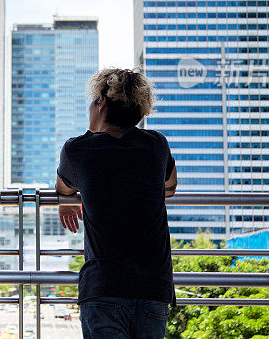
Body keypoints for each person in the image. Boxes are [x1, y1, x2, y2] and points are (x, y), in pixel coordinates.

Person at [56, 68, 177, 339]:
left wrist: (67, 201)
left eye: (94, 100)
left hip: (104, 287)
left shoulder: (77, 150)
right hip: (153, 287)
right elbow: (169, 187)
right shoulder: (156, 144)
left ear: (102, 103)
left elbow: (64, 186)